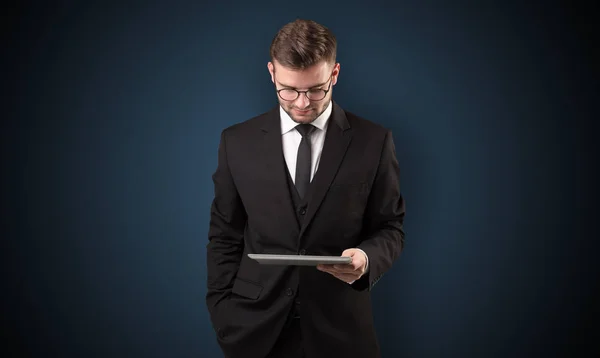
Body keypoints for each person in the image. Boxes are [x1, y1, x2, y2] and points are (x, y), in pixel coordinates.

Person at [206, 18, 405, 358]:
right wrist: (223, 311)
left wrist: (367, 258)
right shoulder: (235, 141)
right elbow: (225, 234)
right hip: (254, 331)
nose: (301, 103)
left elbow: (390, 227)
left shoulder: (374, 141)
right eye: (289, 89)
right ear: (271, 73)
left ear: (335, 74)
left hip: (342, 332)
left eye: (316, 89)